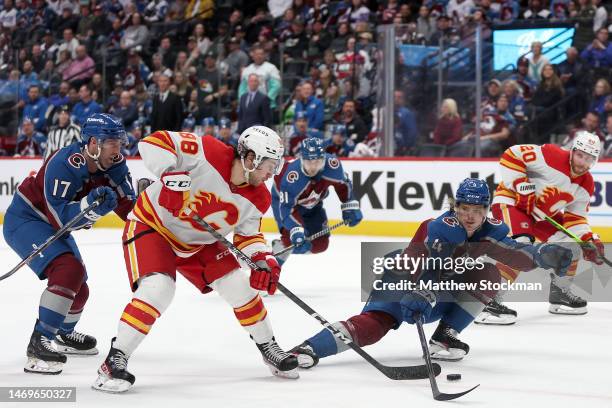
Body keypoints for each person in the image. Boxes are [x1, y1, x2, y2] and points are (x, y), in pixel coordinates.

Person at [92, 126, 299, 393]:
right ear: (249, 158)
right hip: (154, 226)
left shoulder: (260, 197)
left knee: (240, 287)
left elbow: (247, 237)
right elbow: (154, 142)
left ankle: (268, 346)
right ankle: (114, 359)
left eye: (276, 165)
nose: (272, 172)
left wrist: (262, 259)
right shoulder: (209, 151)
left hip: (199, 243)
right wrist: (169, 175)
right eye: (268, 165)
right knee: (158, 290)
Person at [290, 179, 572, 367]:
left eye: (477, 210)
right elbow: (425, 265)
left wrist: (541, 255)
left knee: (488, 274)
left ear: (486, 209)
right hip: (402, 279)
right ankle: (308, 349)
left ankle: (444, 336)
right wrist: (421, 290)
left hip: (435, 289)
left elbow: (513, 254)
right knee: (376, 325)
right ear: (455, 207)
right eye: (464, 209)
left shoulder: (492, 231)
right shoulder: (440, 227)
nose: (470, 216)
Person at [2, 113, 135, 375]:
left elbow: (129, 209)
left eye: (119, 141)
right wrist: (91, 208)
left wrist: (155, 206)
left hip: (51, 222)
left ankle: (63, 333)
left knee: (80, 288)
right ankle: (39, 342)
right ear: (93, 143)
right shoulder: (63, 163)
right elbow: (61, 219)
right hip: (26, 219)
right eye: (111, 142)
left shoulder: (116, 164)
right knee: (68, 271)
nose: (118, 149)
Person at [477, 131, 605, 324]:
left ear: (594, 160)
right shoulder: (552, 155)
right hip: (512, 202)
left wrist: (588, 239)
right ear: (572, 151)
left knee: (570, 243)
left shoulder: (586, 184)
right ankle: (487, 302)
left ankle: (560, 293)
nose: (582, 162)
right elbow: (511, 154)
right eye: (580, 155)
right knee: (521, 245)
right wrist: (521, 186)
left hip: (541, 215)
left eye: (588, 159)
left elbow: (576, 219)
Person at [271, 137, 362, 265]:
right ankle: (277, 252)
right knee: (292, 241)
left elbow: (343, 185)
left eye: (317, 162)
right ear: (301, 159)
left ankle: (283, 247)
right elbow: (287, 209)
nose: (313, 167)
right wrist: (296, 230)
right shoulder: (291, 178)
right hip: (286, 204)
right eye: (309, 162)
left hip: (313, 204)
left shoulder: (332, 165)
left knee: (320, 245)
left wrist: (350, 205)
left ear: (324, 158)